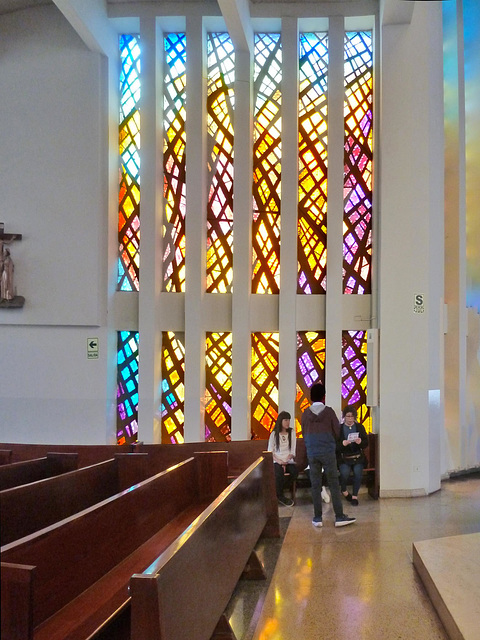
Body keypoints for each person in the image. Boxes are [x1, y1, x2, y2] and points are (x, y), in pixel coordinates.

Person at [301, 382, 356, 528]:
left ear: (311, 397)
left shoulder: (305, 414)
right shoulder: (329, 412)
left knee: (315, 485)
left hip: (312, 453)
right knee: (333, 483)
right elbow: (337, 432)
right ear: (324, 397)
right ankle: (339, 516)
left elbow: (304, 432)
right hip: (328, 452)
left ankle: (317, 518)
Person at [338, 405, 369, 506]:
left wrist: (360, 442)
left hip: (357, 456)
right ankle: (344, 490)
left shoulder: (359, 427)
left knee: (358, 472)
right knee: (344, 473)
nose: (350, 419)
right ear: (344, 417)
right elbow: (335, 445)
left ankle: (355, 496)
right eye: (348, 416)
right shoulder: (340, 428)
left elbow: (366, 442)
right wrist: (342, 444)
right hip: (344, 457)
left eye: (352, 417)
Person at [268, 411, 298, 507]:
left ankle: (285, 490)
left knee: (294, 472)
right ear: (280, 421)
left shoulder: (292, 432)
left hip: (288, 460)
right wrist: (280, 462)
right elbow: (270, 452)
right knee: (278, 473)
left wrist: (286, 462)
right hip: (277, 460)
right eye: (285, 420)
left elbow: (293, 451)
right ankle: (280, 495)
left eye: (289, 420)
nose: (287, 422)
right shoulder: (274, 434)